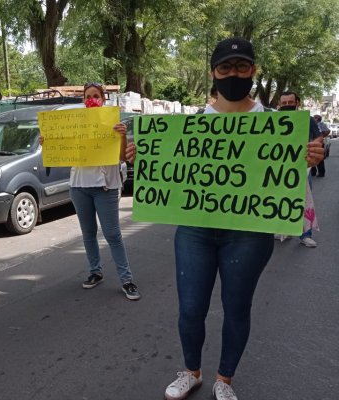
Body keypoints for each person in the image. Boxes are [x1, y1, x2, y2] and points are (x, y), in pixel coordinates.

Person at [123, 38, 324, 400]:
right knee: (190, 309)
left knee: (236, 308)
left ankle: (224, 379)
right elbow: (173, 172)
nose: (233, 74)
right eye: (225, 67)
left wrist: (309, 157)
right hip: (196, 232)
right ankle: (191, 371)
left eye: (241, 67)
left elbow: (289, 174)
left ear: (254, 72)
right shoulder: (193, 123)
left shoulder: (276, 125)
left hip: (249, 235)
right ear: (213, 73)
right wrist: (143, 158)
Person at [40, 83, 140, 300]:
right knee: (88, 233)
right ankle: (95, 272)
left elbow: (123, 158)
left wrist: (123, 136)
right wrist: (47, 142)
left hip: (106, 188)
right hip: (79, 187)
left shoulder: (114, 123)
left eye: (96, 96)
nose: (92, 99)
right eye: (88, 96)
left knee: (113, 234)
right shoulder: (74, 124)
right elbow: (60, 150)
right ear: (83, 100)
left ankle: (127, 280)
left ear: (103, 99)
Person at [277, 91, 321, 247]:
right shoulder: (275, 120)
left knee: (302, 200)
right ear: (279, 104)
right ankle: (285, 229)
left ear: (297, 103)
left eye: (290, 102)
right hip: (280, 167)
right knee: (281, 198)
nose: (287, 105)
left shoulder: (307, 120)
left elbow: (318, 137)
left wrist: (312, 149)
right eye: (284, 103)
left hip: (303, 166)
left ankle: (305, 235)